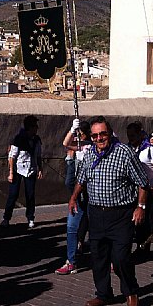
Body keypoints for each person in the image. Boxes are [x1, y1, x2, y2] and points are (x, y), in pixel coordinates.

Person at [69, 116, 149, 306]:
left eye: (102, 134)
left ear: (110, 133)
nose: (99, 138)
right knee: (98, 257)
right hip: (96, 214)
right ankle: (103, 294)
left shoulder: (124, 153)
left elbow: (142, 181)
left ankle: (131, 290)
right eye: (95, 135)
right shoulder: (89, 154)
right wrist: (73, 197)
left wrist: (141, 207)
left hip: (121, 215)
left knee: (121, 257)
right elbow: (82, 178)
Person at [55, 118, 92, 275]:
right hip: (78, 193)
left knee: (99, 229)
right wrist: (72, 129)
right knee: (71, 227)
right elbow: (65, 143)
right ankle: (71, 261)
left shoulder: (92, 147)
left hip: (93, 194)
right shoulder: (79, 147)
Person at [126, 123, 153, 256]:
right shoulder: (128, 149)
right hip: (132, 190)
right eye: (129, 135)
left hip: (147, 190)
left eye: (133, 135)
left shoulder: (149, 149)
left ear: (140, 135)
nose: (131, 138)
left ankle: (143, 249)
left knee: (145, 221)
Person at [1, 115, 43, 228]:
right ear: (30, 127)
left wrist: (40, 168)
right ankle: (6, 217)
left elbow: (38, 155)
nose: (37, 128)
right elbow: (12, 157)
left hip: (31, 169)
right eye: (34, 126)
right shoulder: (19, 139)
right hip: (18, 169)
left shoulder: (37, 140)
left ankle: (30, 217)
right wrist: (11, 172)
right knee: (13, 194)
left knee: (30, 195)